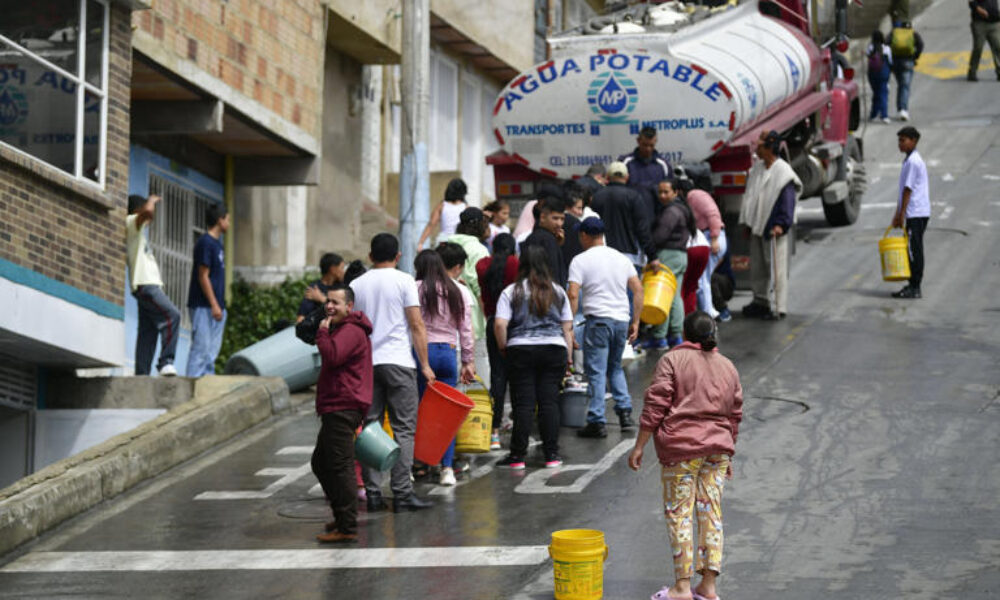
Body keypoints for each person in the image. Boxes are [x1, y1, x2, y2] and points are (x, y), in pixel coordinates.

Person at [628, 311, 743, 600]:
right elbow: (734, 414)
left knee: (680, 513)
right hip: (718, 451)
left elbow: (656, 405)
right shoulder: (728, 366)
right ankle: (708, 587)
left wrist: (640, 445)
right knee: (710, 513)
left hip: (681, 450)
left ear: (685, 334)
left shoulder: (672, 360)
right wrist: (730, 452)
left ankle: (681, 588)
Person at [349, 233, 435, 513]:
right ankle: (402, 494)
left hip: (366, 365)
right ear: (398, 256)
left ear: (370, 256)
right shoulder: (404, 281)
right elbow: (416, 324)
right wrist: (424, 364)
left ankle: (373, 494)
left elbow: (351, 327)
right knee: (403, 429)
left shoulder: (356, 284)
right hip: (399, 362)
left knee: (370, 428)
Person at [493, 245, 574, 469]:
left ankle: (517, 456)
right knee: (549, 402)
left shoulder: (512, 291)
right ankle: (552, 455)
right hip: (554, 349)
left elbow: (500, 323)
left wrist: (504, 346)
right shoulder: (558, 292)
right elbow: (567, 329)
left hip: (521, 350)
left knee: (524, 404)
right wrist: (568, 359)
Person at [567, 217, 643, 439]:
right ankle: (625, 414)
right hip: (621, 321)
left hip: (598, 321)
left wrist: (568, 326)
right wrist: (635, 321)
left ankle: (596, 420)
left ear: (584, 235)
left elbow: (573, 294)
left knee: (597, 371)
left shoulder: (579, 261)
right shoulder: (620, 258)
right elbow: (638, 290)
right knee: (615, 368)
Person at [311, 284, 372, 544]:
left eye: (336, 302)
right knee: (322, 463)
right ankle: (341, 517)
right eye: (328, 302)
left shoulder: (350, 330)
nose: (330, 306)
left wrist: (323, 334)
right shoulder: (346, 328)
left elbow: (333, 356)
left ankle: (347, 525)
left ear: (349, 306)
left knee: (340, 466)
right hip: (338, 404)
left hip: (343, 404)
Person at [414, 249, 475, 486]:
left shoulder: (415, 288)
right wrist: (468, 361)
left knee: (420, 411)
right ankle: (446, 468)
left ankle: (419, 464)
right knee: (446, 416)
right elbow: (466, 329)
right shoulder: (457, 290)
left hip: (421, 354)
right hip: (448, 353)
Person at [738, 130, 801, 321]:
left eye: (760, 145)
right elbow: (750, 196)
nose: (756, 147)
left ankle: (777, 306)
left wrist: (782, 224)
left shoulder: (783, 172)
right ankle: (760, 301)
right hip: (757, 224)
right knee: (758, 267)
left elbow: (788, 200)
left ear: (769, 147)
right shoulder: (758, 168)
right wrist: (747, 223)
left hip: (774, 228)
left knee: (776, 269)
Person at [126, 194, 181, 377]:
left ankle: (141, 373)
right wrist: (152, 200)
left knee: (148, 332)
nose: (151, 219)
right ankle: (166, 362)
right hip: (146, 285)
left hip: (143, 286)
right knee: (173, 316)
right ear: (136, 211)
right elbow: (148, 212)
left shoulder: (138, 233)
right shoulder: (131, 223)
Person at [476, 233, 519, 450]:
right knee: (519, 378)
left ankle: (494, 432)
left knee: (498, 378)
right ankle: (519, 428)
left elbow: (482, 265)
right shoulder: (515, 264)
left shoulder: (483, 265)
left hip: (493, 322)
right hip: (515, 324)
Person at [646, 179, 692, 349]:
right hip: (680, 255)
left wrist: (649, 248)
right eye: (660, 192)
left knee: (662, 296)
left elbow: (660, 236)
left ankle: (659, 337)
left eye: (666, 192)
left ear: (675, 192)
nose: (662, 196)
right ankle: (676, 335)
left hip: (667, 255)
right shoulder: (681, 209)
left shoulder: (670, 212)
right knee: (674, 296)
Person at [186, 203, 230, 377]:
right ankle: (192, 389)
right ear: (220, 220)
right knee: (201, 350)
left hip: (216, 307)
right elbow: (203, 275)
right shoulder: (206, 243)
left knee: (211, 354)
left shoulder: (218, 245)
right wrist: (213, 304)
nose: (229, 223)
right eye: (227, 219)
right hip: (204, 306)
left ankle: (206, 389)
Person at [590, 161, 657, 272]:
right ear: (627, 177)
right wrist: (652, 256)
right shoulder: (634, 196)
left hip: (603, 254)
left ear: (607, 177)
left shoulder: (597, 197)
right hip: (630, 257)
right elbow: (642, 229)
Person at [890, 126, 930, 299]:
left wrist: (901, 214)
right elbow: (903, 190)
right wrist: (897, 213)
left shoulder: (913, 161)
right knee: (912, 248)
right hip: (913, 212)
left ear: (913, 141)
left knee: (914, 250)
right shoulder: (909, 160)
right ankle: (912, 284)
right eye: (899, 140)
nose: (900, 144)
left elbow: (907, 190)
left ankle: (915, 287)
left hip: (916, 212)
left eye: (903, 140)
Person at [684, 183, 729, 321]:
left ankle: (709, 313)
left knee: (702, 279)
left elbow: (713, 214)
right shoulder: (697, 196)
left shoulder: (695, 195)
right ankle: (710, 311)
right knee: (704, 278)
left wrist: (714, 239)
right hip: (711, 237)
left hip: (712, 237)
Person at [521, 190, 569, 288]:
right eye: (555, 218)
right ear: (542, 217)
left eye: (562, 219)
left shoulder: (534, 237)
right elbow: (553, 273)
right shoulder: (547, 240)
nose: (559, 223)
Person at [620, 126, 672, 213]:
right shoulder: (625, 163)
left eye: (651, 145)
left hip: (657, 215)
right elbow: (618, 191)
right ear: (638, 141)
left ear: (655, 142)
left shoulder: (663, 165)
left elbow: (670, 193)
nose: (648, 149)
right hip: (631, 214)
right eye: (645, 145)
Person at [417, 178, 468, 249]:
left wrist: (421, 242)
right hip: (458, 242)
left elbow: (431, 224)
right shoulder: (465, 207)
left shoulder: (442, 206)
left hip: (443, 241)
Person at [888, 20, 923, 121]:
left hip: (895, 62)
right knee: (905, 86)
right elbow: (920, 44)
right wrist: (915, 57)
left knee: (900, 85)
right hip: (908, 61)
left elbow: (886, 43)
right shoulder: (913, 34)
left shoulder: (894, 33)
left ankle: (900, 108)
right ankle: (903, 109)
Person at [297, 253, 346, 324]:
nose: (343, 272)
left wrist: (322, 299)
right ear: (333, 269)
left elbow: (345, 311)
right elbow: (301, 318)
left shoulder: (343, 288)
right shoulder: (314, 289)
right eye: (342, 268)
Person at [968, 0, 1000, 81]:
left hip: (994, 22)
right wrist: (980, 10)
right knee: (978, 48)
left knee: (998, 46)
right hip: (980, 23)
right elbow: (971, 2)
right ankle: (972, 72)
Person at [866, 30, 893, 123]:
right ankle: (884, 115)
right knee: (883, 94)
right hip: (883, 74)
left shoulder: (870, 48)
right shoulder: (886, 48)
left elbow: (868, 59)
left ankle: (873, 114)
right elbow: (890, 61)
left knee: (876, 93)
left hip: (872, 74)